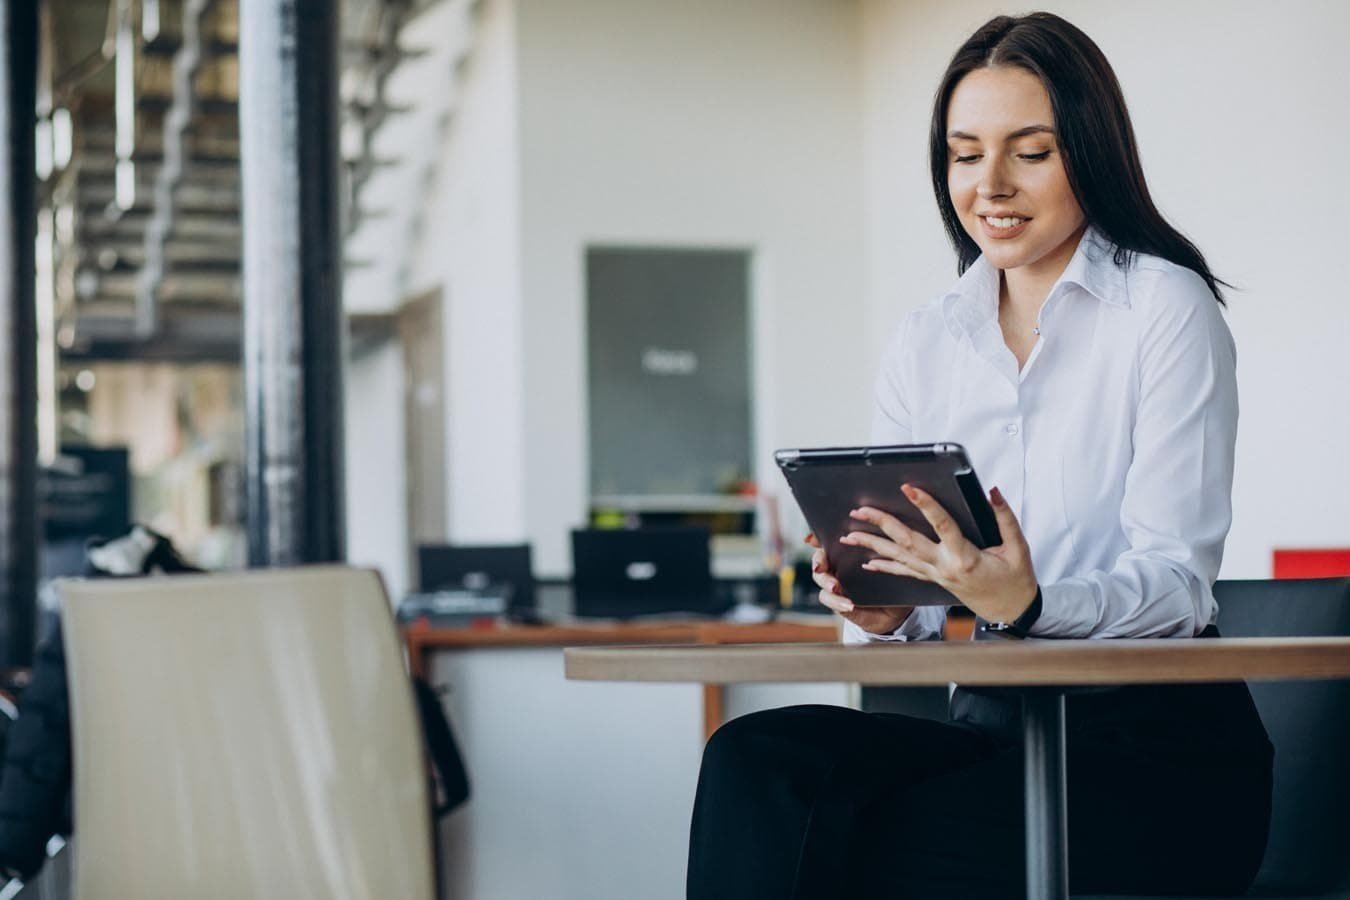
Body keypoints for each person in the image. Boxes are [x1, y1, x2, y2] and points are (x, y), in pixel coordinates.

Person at [686, 12, 1272, 900]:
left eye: (1030, 152)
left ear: (1089, 152)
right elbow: (922, 609)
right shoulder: (928, 338)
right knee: (757, 762)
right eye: (965, 154)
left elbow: (1179, 584)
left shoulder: (1164, 306)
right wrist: (885, 609)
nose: (990, 184)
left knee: (849, 847)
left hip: (1158, 756)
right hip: (993, 730)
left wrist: (1030, 603)